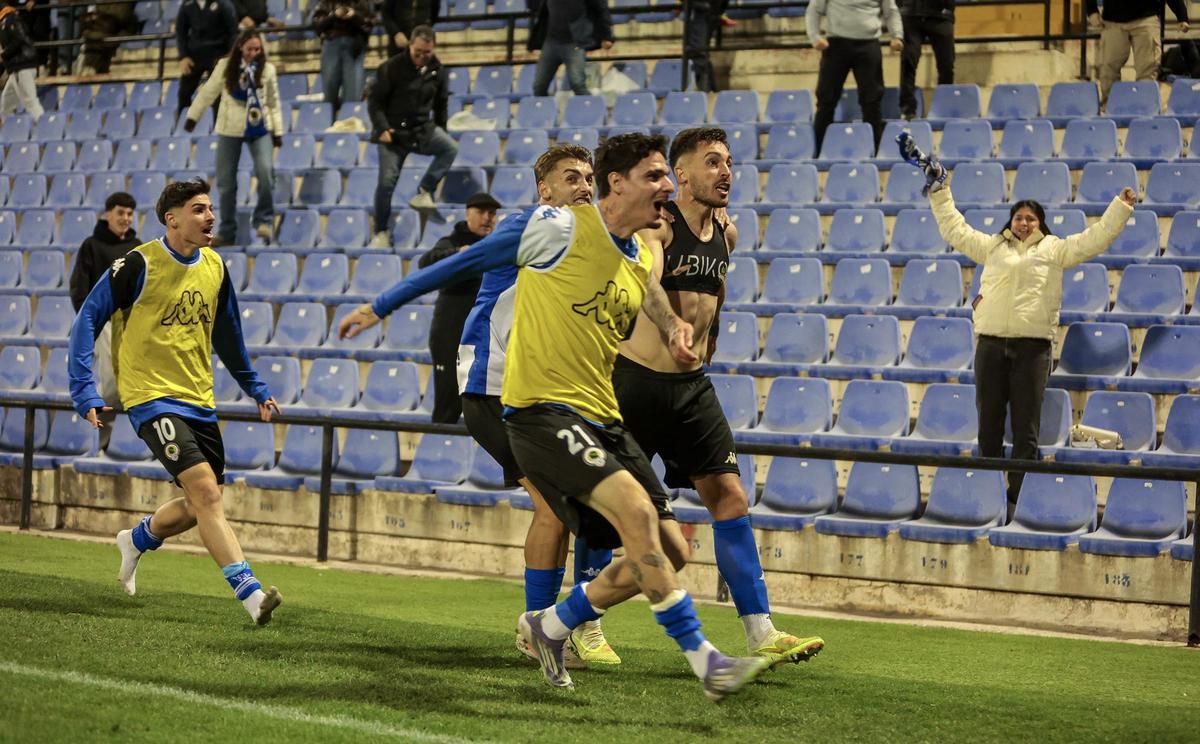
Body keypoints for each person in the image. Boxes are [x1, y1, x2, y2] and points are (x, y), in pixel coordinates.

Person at [338, 134, 772, 701]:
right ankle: (707, 660)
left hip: (603, 415)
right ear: (618, 183)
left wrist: (672, 327)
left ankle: (551, 624)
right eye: (656, 176)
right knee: (636, 515)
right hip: (540, 408)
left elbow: (649, 294)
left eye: (668, 176)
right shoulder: (555, 227)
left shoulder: (639, 252)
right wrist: (381, 306)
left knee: (672, 549)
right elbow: (464, 262)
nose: (669, 187)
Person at [618, 127, 824, 665]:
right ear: (681, 174)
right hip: (637, 384)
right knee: (608, 514)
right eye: (712, 163)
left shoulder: (727, 236)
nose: (726, 172)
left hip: (691, 388)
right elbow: (648, 284)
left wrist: (707, 342)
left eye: (729, 162)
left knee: (730, 497)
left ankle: (762, 632)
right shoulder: (659, 228)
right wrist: (672, 330)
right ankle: (582, 629)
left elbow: (717, 293)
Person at [68, 179, 283, 624]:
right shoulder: (138, 263)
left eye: (210, 209)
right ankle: (251, 595)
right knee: (205, 492)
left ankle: (137, 539)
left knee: (200, 505)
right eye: (200, 209)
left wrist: (256, 387)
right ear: (173, 218)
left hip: (199, 400)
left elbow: (229, 336)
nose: (210, 217)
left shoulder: (216, 266)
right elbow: (88, 317)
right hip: (150, 397)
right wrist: (84, 389)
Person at [899, 134, 1136, 508]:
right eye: (1018, 217)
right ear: (1011, 221)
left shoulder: (1056, 250)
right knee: (988, 425)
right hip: (990, 345)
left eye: (1031, 218)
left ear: (1040, 223)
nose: (1024, 222)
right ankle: (987, 493)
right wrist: (940, 191)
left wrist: (1119, 208)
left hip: (1032, 348)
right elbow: (955, 229)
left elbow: (1095, 239)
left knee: (1026, 428)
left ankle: (1018, 496)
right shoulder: (993, 247)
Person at [456, 145, 620, 667]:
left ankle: (553, 625)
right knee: (555, 505)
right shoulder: (532, 225)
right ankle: (541, 629)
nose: (584, 186)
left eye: (590, 178)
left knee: (567, 506)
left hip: (535, 394)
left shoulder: (582, 239)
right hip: (492, 388)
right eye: (570, 178)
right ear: (544, 188)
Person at [185, 30, 284, 248]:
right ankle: (227, 231)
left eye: (257, 49)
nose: (253, 53)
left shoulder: (267, 70)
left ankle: (264, 220)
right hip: (229, 129)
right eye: (250, 49)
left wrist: (278, 131)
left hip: (260, 129)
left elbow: (274, 103)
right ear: (240, 47)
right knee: (226, 183)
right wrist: (193, 116)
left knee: (266, 172)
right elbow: (207, 93)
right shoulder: (225, 66)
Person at [368, 25, 457, 245]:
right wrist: (382, 128)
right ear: (410, 46)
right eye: (418, 52)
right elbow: (375, 102)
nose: (422, 57)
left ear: (433, 48)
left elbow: (441, 104)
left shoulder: (438, 70)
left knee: (449, 148)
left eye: (427, 52)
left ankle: (425, 190)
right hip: (393, 133)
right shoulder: (391, 67)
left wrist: (441, 129)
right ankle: (380, 230)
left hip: (422, 130)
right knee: (387, 182)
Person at [418, 191, 499, 424]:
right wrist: (458, 254)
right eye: (481, 212)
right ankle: (438, 454)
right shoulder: (454, 240)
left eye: (492, 213)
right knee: (448, 403)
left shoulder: (496, 244)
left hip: (484, 335)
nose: (487, 218)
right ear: (467, 214)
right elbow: (425, 262)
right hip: (450, 333)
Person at [68, 192, 140, 446]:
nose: (125, 218)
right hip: (102, 323)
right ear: (108, 214)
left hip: (130, 324)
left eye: (130, 214)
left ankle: (105, 439)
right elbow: (79, 288)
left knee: (119, 386)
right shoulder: (91, 245)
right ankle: (100, 439)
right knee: (110, 384)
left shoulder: (137, 246)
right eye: (120, 213)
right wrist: (92, 324)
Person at [807, 0, 904, 155]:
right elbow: (814, 9)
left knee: (872, 101)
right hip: (835, 44)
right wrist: (814, 36)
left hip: (868, 45)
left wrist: (897, 36)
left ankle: (875, 152)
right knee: (826, 101)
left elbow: (891, 11)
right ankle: (818, 153)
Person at [1087, 0, 1190, 106]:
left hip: (1146, 19)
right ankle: (1110, 108)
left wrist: (1181, 15)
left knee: (1148, 69)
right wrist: (1091, 10)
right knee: (1108, 69)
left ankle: (1145, 109)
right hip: (1113, 22)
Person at [527, 0, 614, 97]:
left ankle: (590, 108)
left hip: (574, 43)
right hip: (551, 42)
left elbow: (601, 8)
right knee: (539, 86)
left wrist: (607, 36)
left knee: (577, 84)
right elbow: (533, 6)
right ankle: (546, 110)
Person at [175, 0, 239, 116]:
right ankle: (182, 125)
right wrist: (183, 56)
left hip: (218, 55)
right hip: (194, 56)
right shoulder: (187, 4)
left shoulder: (223, 4)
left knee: (217, 95)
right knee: (184, 93)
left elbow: (233, 31)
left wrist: (231, 54)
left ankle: (218, 128)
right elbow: (180, 32)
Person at [311, 0, 374, 115]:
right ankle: (329, 124)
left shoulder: (362, 3)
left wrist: (354, 16)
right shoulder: (325, 3)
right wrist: (334, 15)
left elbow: (369, 24)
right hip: (331, 44)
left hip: (354, 47)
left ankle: (348, 126)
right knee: (329, 93)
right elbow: (317, 25)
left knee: (353, 94)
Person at [897, 0, 954, 120]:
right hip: (911, 14)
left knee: (946, 64)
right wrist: (901, 7)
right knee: (908, 62)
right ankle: (907, 110)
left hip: (941, 15)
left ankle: (945, 107)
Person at [0, 0, 44, 120]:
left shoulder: (9, 19)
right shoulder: (6, 20)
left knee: (30, 102)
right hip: (15, 69)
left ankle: (47, 128)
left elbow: (19, 38)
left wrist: (3, 54)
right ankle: (6, 132)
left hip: (22, 67)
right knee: (6, 104)